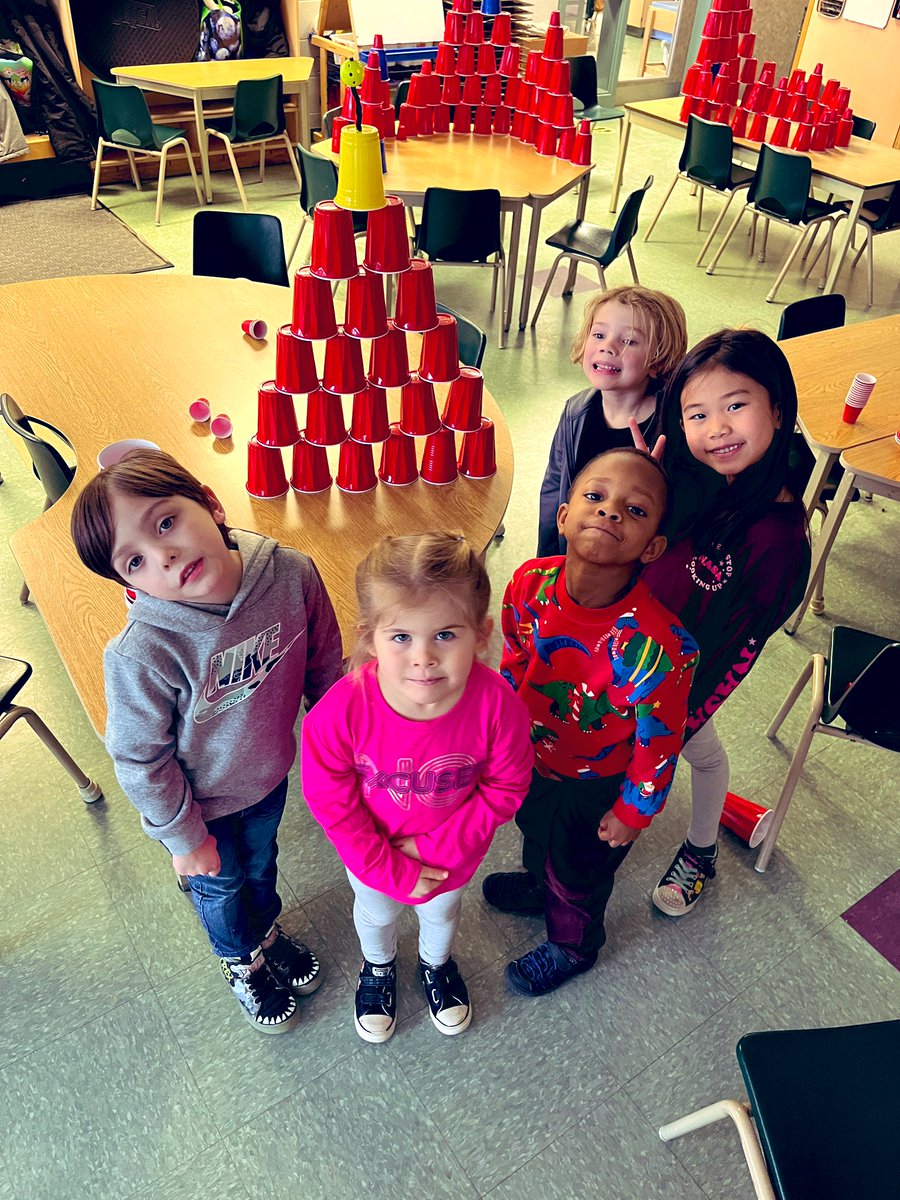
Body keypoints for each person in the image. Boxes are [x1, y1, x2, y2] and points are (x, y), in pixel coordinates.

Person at [70, 450, 342, 1033]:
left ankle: (264, 930)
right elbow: (140, 757)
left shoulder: (292, 573)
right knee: (220, 888)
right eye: (135, 561)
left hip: (267, 779)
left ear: (211, 503)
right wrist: (183, 838)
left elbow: (324, 665)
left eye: (166, 522)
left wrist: (342, 745)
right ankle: (239, 958)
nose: (164, 556)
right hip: (199, 809)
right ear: (128, 583)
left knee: (262, 865)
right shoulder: (141, 653)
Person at [300, 532, 532, 1043]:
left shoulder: (498, 706)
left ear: (481, 634)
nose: (423, 657)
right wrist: (387, 866)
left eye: (445, 634)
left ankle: (436, 963)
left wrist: (432, 853)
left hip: (452, 857)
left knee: (443, 913)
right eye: (401, 637)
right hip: (371, 856)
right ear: (370, 638)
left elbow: (507, 786)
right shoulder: (339, 712)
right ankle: (377, 965)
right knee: (376, 914)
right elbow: (330, 800)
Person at [483, 448, 699, 995]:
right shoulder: (528, 583)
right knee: (536, 833)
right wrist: (499, 734)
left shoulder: (660, 644)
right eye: (596, 496)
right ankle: (540, 884)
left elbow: (660, 742)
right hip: (530, 757)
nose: (609, 511)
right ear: (563, 515)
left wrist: (633, 812)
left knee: (579, 871)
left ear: (652, 547)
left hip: (597, 784)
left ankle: (574, 945)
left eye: (635, 509)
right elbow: (514, 658)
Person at [638, 328, 811, 916]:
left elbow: (740, 650)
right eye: (698, 414)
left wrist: (686, 714)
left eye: (735, 406)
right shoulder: (705, 480)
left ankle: (701, 850)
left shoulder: (777, 540)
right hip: (636, 658)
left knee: (703, 754)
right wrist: (649, 487)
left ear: (777, 410)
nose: (717, 428)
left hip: (682, 684)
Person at [537, 285, 688, 557]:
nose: (607, 347)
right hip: (577, 558)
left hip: (632, 570)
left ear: (658, 360)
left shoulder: (673, 428)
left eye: (629, 341)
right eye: (599, 335)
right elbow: (554, 488)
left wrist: (654, 476)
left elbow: (679, 519)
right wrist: (547, 561)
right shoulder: (575, 411)